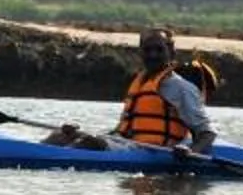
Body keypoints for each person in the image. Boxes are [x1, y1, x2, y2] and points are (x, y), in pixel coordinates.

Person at [45, 27, 218, 156]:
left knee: (89, 143)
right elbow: (123, 131)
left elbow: (207, 134)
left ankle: (51, 159)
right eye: (148, 50)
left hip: (154, 152)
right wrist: (81, 133)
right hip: (128, 144)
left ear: (171, 52)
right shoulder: (141, 82)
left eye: (159, 50)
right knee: (61, 135)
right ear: (140, 52)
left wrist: (190, 151)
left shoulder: (181, 88)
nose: (153, 55)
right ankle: (34, 154)